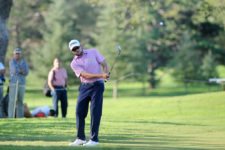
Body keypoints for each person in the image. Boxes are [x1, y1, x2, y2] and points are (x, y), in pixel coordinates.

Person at [68, 39, 110, 146]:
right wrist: (102, 75)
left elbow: (104, 63)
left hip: (97, 86)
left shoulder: (93, 52)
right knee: (79, 111)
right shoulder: (74, 63)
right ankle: (80, 138)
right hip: (85, 86)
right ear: (72, 51)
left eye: (77, 47)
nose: (76, 50)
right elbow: (85, 75)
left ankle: (94, 139)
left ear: (80, 45)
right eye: (74, 49)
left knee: (95, 112)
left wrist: (106, 72)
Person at [8, 47, 29, 118]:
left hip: (22, 83)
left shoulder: (24, 62)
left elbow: (26, 72)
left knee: (20, 100)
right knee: (12, 101)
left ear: (20, 54)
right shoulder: (11, 62)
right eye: (16, 54)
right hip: (13, 83)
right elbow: (14, 71)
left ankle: (20, 117)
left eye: (18, 54)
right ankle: (11, 116)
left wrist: (20, 70)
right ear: (14, 54)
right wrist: (21, 70)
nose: (17, 55)